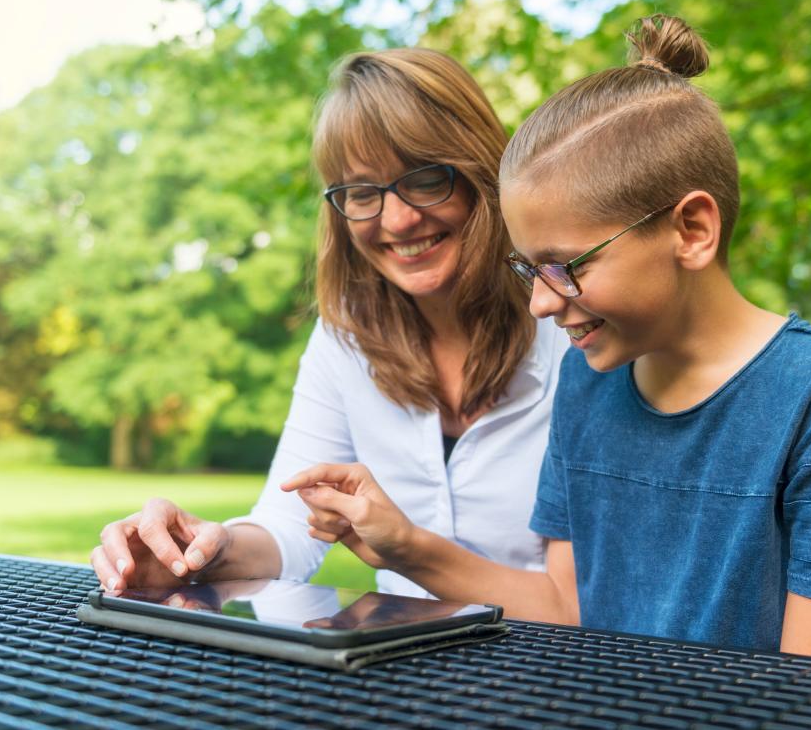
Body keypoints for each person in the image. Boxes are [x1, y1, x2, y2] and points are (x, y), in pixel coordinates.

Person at [285, 14, 811, 662]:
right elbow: (568, 611)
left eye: (567, 266)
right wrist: (406, 545)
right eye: (528, 268)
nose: (539, 300)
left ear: (692, 229)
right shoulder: (587, 381)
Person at [90, 47, 567, 597]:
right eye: (363, 193)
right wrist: (202, 550)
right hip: (402, 672)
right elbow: (290, 529)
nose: (399, 219)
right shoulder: (345, 338)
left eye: (426, 179)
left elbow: (582, 602)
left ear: (482, 174)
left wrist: (409, 547)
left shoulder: (574, 327)